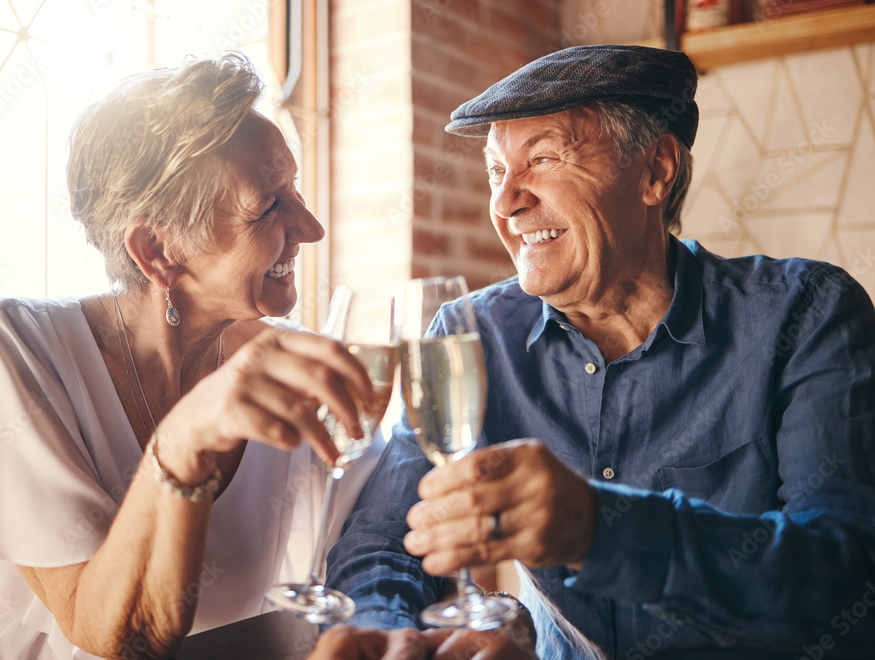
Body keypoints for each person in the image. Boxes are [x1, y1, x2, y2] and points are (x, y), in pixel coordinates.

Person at [319, 44, 875, 659]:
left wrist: (598, 527)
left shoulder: (806, 313)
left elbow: (845, 572)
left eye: (545, 158)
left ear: (656, 170)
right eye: (496, 171)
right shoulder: (471, 332)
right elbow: (384, 538)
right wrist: (386, 626)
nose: (506, 202)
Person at [0, 53, 384, 659]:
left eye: (294, 189)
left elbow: (377, 543)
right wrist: (184, 437)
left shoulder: (296, 365)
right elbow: (118, 635)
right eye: (268, 205)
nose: (311, 227)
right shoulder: (15, 347)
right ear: (157, 249)